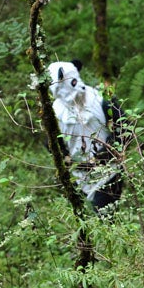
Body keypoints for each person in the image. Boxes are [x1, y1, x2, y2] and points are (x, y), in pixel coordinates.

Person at [47, 59, 124, 211]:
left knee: (105, 216)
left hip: (108, 170)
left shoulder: (100, 99)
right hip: (77, 175)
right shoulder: (55, 113)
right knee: (85, 219)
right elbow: (51, 143)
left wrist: (111, 149)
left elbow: (123, 126)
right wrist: (64, 158)